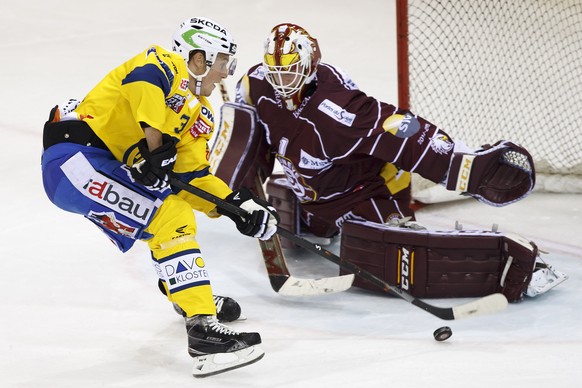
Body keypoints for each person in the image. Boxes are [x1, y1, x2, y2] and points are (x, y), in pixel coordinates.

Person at [214, 23, 566, 303]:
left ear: (308, 66)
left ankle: (520, 267)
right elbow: (245, 127)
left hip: (360, 188)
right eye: (275, 72)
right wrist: (236, 185)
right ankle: (316, 214)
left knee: (393, 256)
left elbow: (402, 130)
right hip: (314, 189)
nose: (280, 82)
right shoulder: (257, 82)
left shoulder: (338, 110)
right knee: (313, 215)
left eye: (289, 72)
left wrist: (464, 167)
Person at [41, 17, 279, 377]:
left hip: (95, 166)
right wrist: (155, 146)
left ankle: (188, 296)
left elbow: (191, 177)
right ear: (198, 58)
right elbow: (144, 83)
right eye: (221, 63)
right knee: (170, 216)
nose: (224, 74)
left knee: (170, 210)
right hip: (74, 159)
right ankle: (202, 330)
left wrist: (238, 206)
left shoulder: (199, 114)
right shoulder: (163, 63)